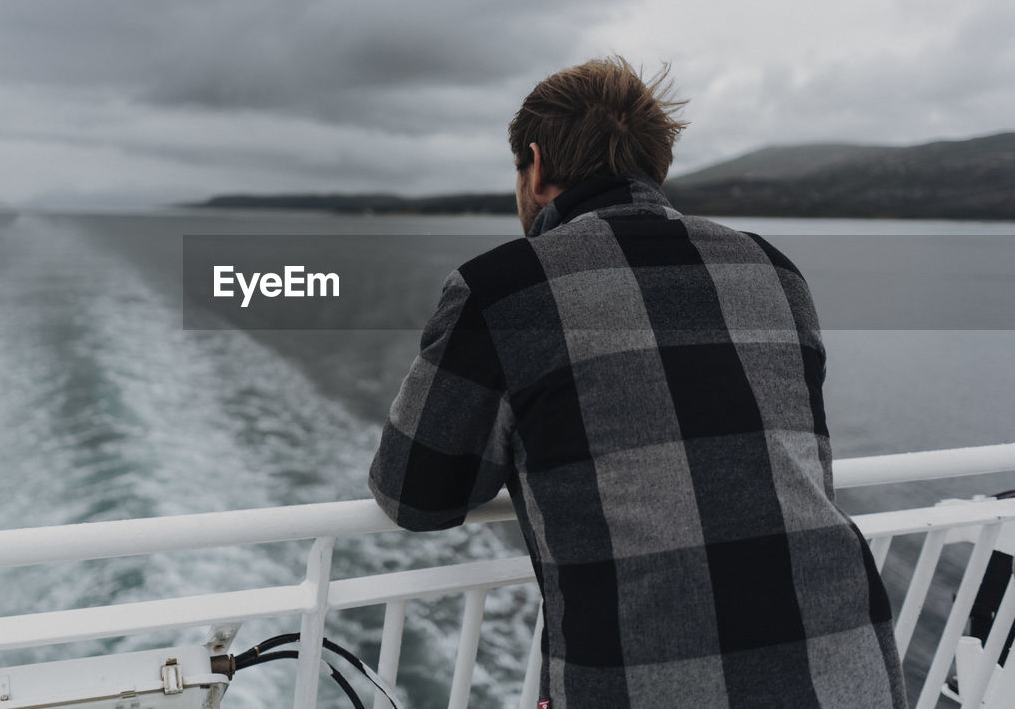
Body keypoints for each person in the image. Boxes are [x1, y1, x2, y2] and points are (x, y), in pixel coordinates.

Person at [368, 57, 907, 708]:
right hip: (848, 671)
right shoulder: (774, 269)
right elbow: (804, 467)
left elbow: (415, 495)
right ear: (657, 165)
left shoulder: (504, 289)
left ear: (535, 167)